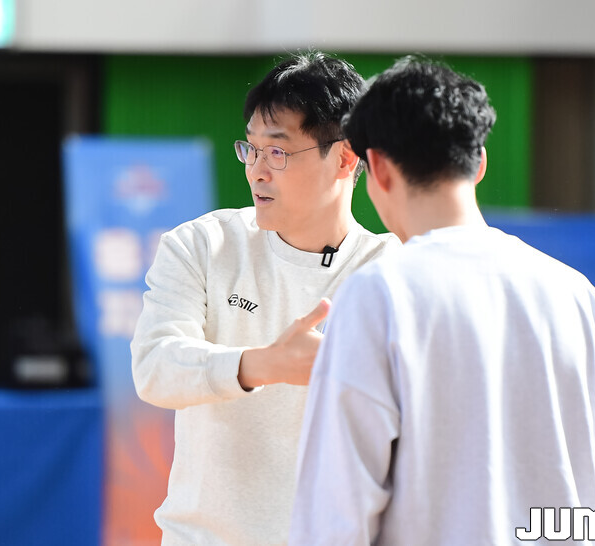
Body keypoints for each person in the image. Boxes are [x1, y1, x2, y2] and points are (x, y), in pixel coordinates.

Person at [290, 57, 595, 545]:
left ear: (380, 169)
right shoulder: (577, 295)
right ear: (479, 164)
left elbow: (335, 516)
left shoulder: (379, 294)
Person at [131, 51, 399, 545]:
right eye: (250, 149)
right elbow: (155, 368)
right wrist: (265, 365)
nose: (256, 170)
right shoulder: (202, 244)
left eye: (277, 152)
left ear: (345, 157)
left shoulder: (390, 270)